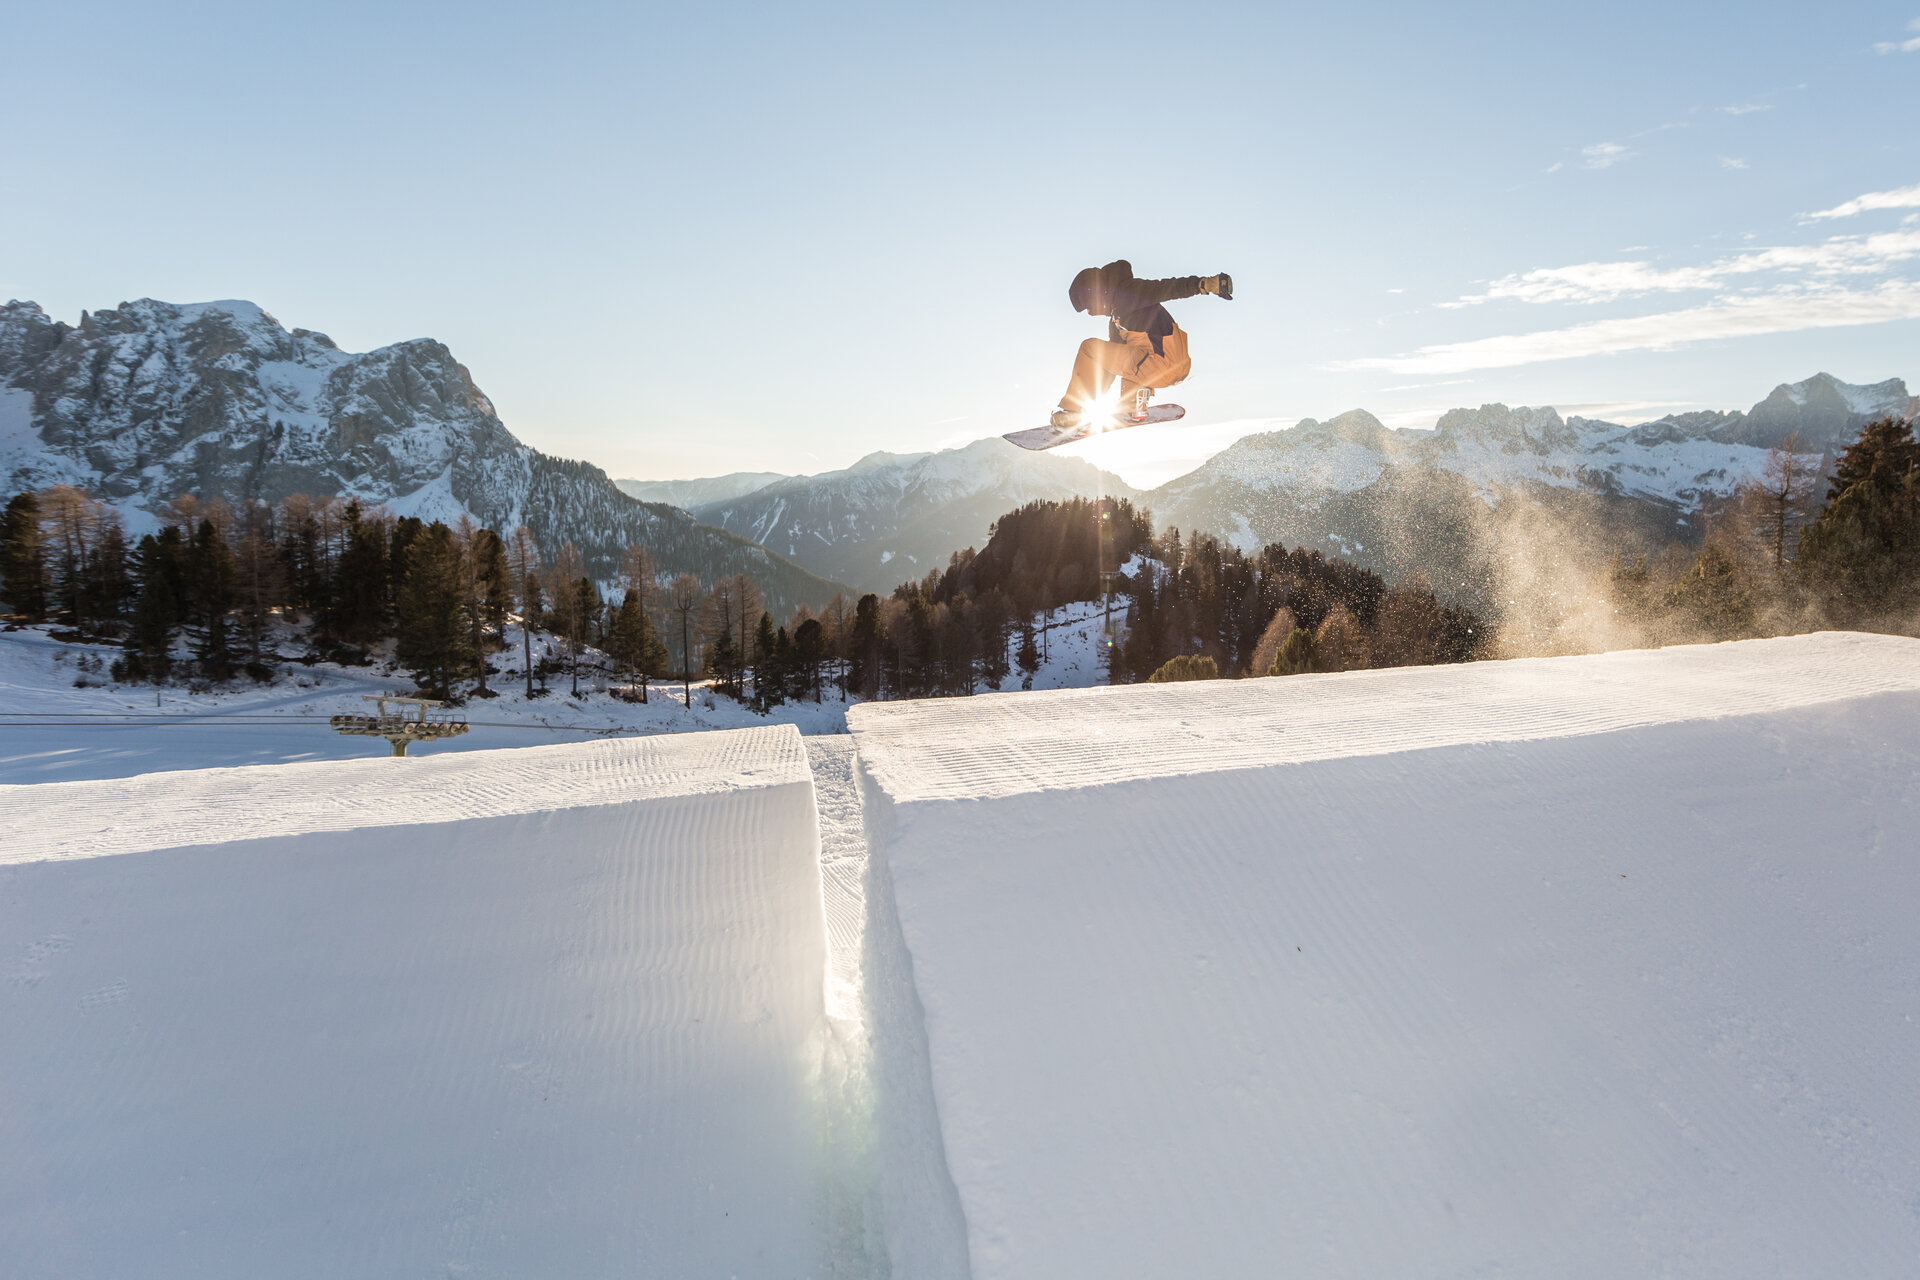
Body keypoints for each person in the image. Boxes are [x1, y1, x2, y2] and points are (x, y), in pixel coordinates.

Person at [1051, 260, 1232, 429]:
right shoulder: (1117, 318)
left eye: (1088, 307)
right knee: (1125, 353)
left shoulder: (1129, 293)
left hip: (1161, 362)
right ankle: (1130, 403)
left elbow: (1166, 288)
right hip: (1171, 366)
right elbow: (1110, 365)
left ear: (1096, 293)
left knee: (1089, 348)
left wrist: (1205, 284)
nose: (1090, 313)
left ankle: (1074, 411)